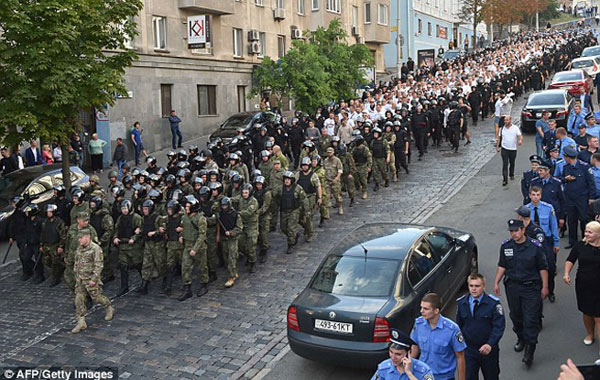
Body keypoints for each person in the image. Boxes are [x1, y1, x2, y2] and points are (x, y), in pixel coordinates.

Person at [493, 219, 548, 366]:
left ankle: (530, 349)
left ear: (523, 230)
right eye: (511, 231)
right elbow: (502, 265)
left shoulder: (535, 247)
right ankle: (521, 338)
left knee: (530, 319)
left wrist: (545, 287)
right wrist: (496, 282)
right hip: (513, 287)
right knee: (516, 316)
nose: (514, 234)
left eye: (516, 230)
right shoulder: (506, 246)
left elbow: (543, 267)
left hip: (531, 288)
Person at [456, 273, 505, 380]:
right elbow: (458, 326)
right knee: (469, 377)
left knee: (491, 376)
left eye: (477, 286)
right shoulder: (462, 303)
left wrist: (490, 344)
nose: (473, 289)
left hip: (488, 349)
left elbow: (498, 327)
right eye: (471, 286)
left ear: (484, 286)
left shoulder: (493, 304)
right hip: (469, 350)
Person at [410, 293, 467, 380]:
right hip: (423, 375)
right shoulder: (419, 324)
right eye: (421, 307)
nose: (421, 311)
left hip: (444, 377)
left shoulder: (452, 329)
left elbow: (460, 357)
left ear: (436, 311)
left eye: (426, 309)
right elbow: (415, 347)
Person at [564, 221, 600, 352]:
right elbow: (570, 260)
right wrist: (566, 273)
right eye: (586, 231)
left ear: (598, 234)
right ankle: (590, 333)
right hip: (584, 285)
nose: (586, 234)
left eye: (590, 232)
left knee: (598, 316)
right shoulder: (580, 246)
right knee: (587, 312)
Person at [71, 228, 114, 334]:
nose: (79, 240)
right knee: (78, 300)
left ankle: (108, 307)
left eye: (81, 238)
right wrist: (76, 275)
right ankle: (81, 322)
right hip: (81, 280)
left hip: (90, 280)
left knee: (97, 298)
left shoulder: (95, 249)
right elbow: (77, 262)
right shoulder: (79, 249)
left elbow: (99, 265)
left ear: (87, 237)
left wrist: (94, 279)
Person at [525, 188, 560, 302]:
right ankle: (538, 291)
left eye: (538, 194)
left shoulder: (548, 208)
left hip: (547, 241)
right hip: (531, 241)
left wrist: (556, 243)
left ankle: (550, 290)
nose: (535, 197)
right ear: (529, 195)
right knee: (534, 267)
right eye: (533, 195)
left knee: (550, 267)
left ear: (541, 195)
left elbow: (553, 226)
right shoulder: (525, 210)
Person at [560, 146, 596, 249]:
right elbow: (562, 180)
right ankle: (573, 242)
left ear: (568, 157)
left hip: (582, 198)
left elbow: (591, 183)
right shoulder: (566, 167)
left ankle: (586, 240)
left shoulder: (585, 167)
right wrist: (566, 179)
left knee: (584, 219)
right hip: (570, 198)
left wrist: (591, 198)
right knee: (571, 220)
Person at [178, 195, 208, 300]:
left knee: (202, 267)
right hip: (187, 244)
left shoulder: (201, 219)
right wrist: (181, 235)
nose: (186, 208)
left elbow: (202, 235)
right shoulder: (184, 216)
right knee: (185, 266)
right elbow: (183, 227)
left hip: (198, 247)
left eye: (187, 207)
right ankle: (187, 288)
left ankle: (204, 284)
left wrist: (195, 249)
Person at [40, 204, 67, 287]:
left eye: (50, 212)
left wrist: (61, 246)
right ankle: (59, 269)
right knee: (46, 260)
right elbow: (43, 234)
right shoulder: (45, 222)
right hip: (47, 244)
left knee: (55, 261)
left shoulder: (59, 222)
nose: (48, 213)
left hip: (56, 245)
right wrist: (41, 244)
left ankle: (56, 277)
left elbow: (63, 235)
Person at [496, 115, 522, 186]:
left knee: (512, 162)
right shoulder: (502, 129)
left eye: (507, 120)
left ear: (510, 120)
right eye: (505, 120)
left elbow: (519, 135)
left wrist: (520, 140)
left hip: (513, 148)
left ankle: (511, 173)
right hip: (504, 148)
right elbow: (499, 137)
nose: (505, 122)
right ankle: (505, 179)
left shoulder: (515, 128)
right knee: (505, 164)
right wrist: (498, 147)